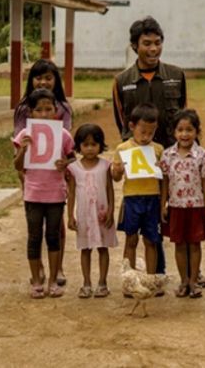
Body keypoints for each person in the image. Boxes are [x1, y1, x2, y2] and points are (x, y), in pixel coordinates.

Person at [112, 16, 188, 280]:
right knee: (144, 223)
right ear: (135, 46)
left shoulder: (176, 76)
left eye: (158, 43)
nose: (153, 49)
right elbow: (123, 124)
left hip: (172, 161)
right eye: (147, 44)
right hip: (141, 168)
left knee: (177, 214)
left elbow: (182, 119)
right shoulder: (122, 81)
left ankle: (188, 273)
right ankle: (150, 274)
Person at [13, 58, 73, 288]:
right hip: (32, 175)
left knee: (56, 229)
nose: (43, 81)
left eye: (49, 77)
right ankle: (37, 271)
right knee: (34, 231)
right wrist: (23, 171)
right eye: (38, 77)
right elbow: (18, 144)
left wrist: (64, 165)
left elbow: (65, 142)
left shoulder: (64, 108)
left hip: (55, 175)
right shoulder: (23, 108)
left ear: (56, 80)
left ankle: (57, 270)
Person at [159, 110, 205, 299]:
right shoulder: (167, 155)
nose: (184, 134)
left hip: (196, 206)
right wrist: (163, 204)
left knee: (195, 245)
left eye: (189, 129)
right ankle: (183, 281)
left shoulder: (202, 155)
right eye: (180, 130)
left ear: (197, 132)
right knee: (179, 245)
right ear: (174, 132)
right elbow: (165, 181)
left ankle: (193, 281)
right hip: (176, 206)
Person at [112, 103, 164, 282]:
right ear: (132, 126)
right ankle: (130, 279)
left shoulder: (158, 149)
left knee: (151, 240)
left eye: (151, 133)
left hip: (152, 199)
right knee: (131, 239)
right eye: (143, 132)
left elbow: (163, 178)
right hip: (131, 199)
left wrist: (162, 170)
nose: (146, 137)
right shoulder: (122, 149)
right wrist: (117, 169)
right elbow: (116, 178)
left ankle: (151, 279)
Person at [66, 124, 118, 299]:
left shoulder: (105, 166)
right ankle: (86, 283)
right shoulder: (74, 168)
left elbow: (110, 189)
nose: (89, 149)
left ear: (100, 145)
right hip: (84, 215)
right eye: (85, 144)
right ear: (78, 146)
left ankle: (102, 283)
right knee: (85, 249)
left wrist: (111, 211)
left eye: (94, 144)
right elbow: (71, 192)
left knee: (103, 248)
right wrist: (70, 216)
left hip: (102, 214)